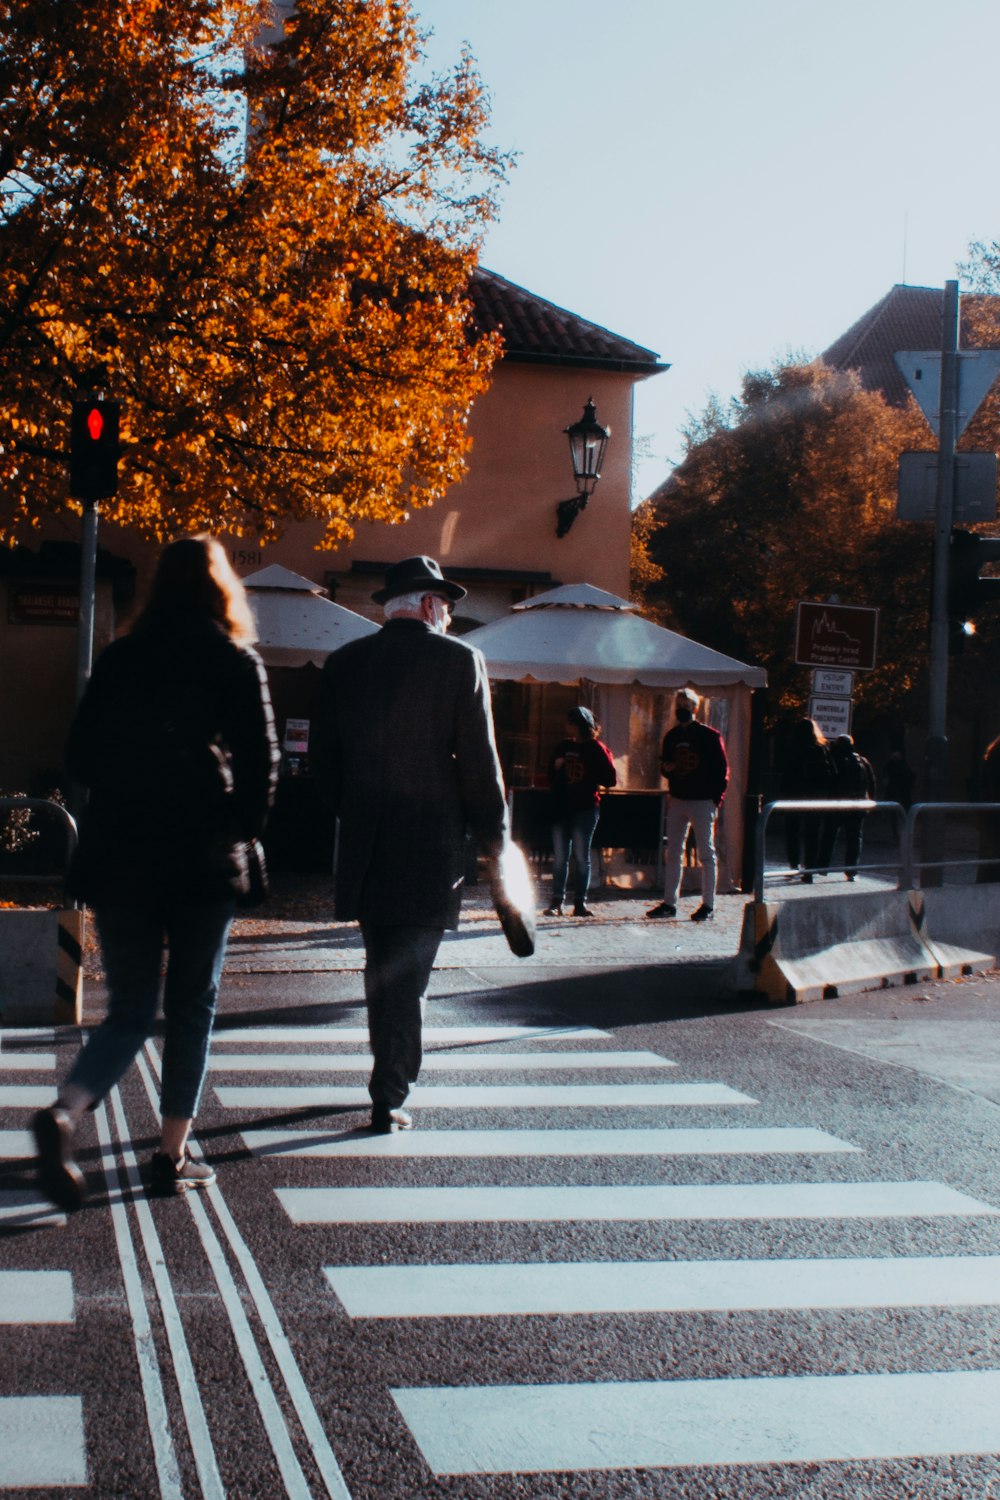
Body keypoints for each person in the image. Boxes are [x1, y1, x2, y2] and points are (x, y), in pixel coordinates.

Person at [32, 536, 279, 1210]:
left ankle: (64, 1111)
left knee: (132, 1009)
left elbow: (79, 759)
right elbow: (263, 765)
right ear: (219, 587)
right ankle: (170, 1153)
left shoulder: (120, 659)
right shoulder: (234, 660)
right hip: (201, 856)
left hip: (120, 854)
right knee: (193, 1003)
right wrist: (240, 824)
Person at [314, 555, 508, 1134]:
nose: (448, 616)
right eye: (446, 606)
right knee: (409, 974)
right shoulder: (460, 660)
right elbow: (480, 764)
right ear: (429, 604)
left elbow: (323, 761)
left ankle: (388, 1078)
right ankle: (390, 1090)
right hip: (431, 842)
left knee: (383, 966)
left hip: (368, 842)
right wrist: (496, 838)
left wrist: (352, 807)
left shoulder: (345, 663)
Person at [646, 688, 729, 921]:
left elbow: (722, 771)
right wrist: (667, 769)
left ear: (695, 707)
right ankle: (670, 903)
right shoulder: (671, 736)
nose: (680, 708)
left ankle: (708, 904)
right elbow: (665, 765)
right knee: (673, 852)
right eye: (678, 703)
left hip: (702, 800)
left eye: (685, 704)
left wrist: (716, 799)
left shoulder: (709, 736)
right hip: (679, 797)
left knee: (706, 853)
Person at [543, 706, 617, 918]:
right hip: (561, 807)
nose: (565, 726)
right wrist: (556, 767)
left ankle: (579, 903)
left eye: (569, 722)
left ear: (577, 725)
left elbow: (610, 779)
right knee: (560, 857)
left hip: (584, 809)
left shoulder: (597, 748)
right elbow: (549, 775)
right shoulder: (563, 746)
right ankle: (558, 901)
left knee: (580, 856)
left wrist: (591, 768)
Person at [780, 716, 835, 882]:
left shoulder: (792, 748)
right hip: (815, 797)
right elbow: (831, 773)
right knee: (812, 835)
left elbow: (786, 773)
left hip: (794, 796)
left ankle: (794, 865)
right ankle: (809, 870)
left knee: (792, 833)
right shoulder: (821, 748)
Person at [824, 734, 876, 880]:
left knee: (829, 836)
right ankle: (851, 871)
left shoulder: (834, 760)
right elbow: (871, 783)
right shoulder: (862, 760)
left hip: (838, 805)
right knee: (854, 839)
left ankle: (822, 867)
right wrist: (870, 802)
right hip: (858, 805)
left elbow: (830, 782)